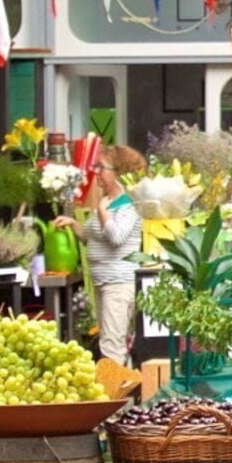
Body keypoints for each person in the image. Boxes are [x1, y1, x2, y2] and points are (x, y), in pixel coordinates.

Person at [79, 146, 145, 364]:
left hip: (118, 283)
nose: (96, 171)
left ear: (119, 172)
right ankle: (118, 388)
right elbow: (93, 238)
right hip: (104, 281)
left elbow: (117, 237)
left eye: (101, 167)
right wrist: (72, 225)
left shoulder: (129, 204)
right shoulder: (109, 201)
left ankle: (114, 394)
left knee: (111, 345)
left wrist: (102, 212)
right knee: (108, 341)